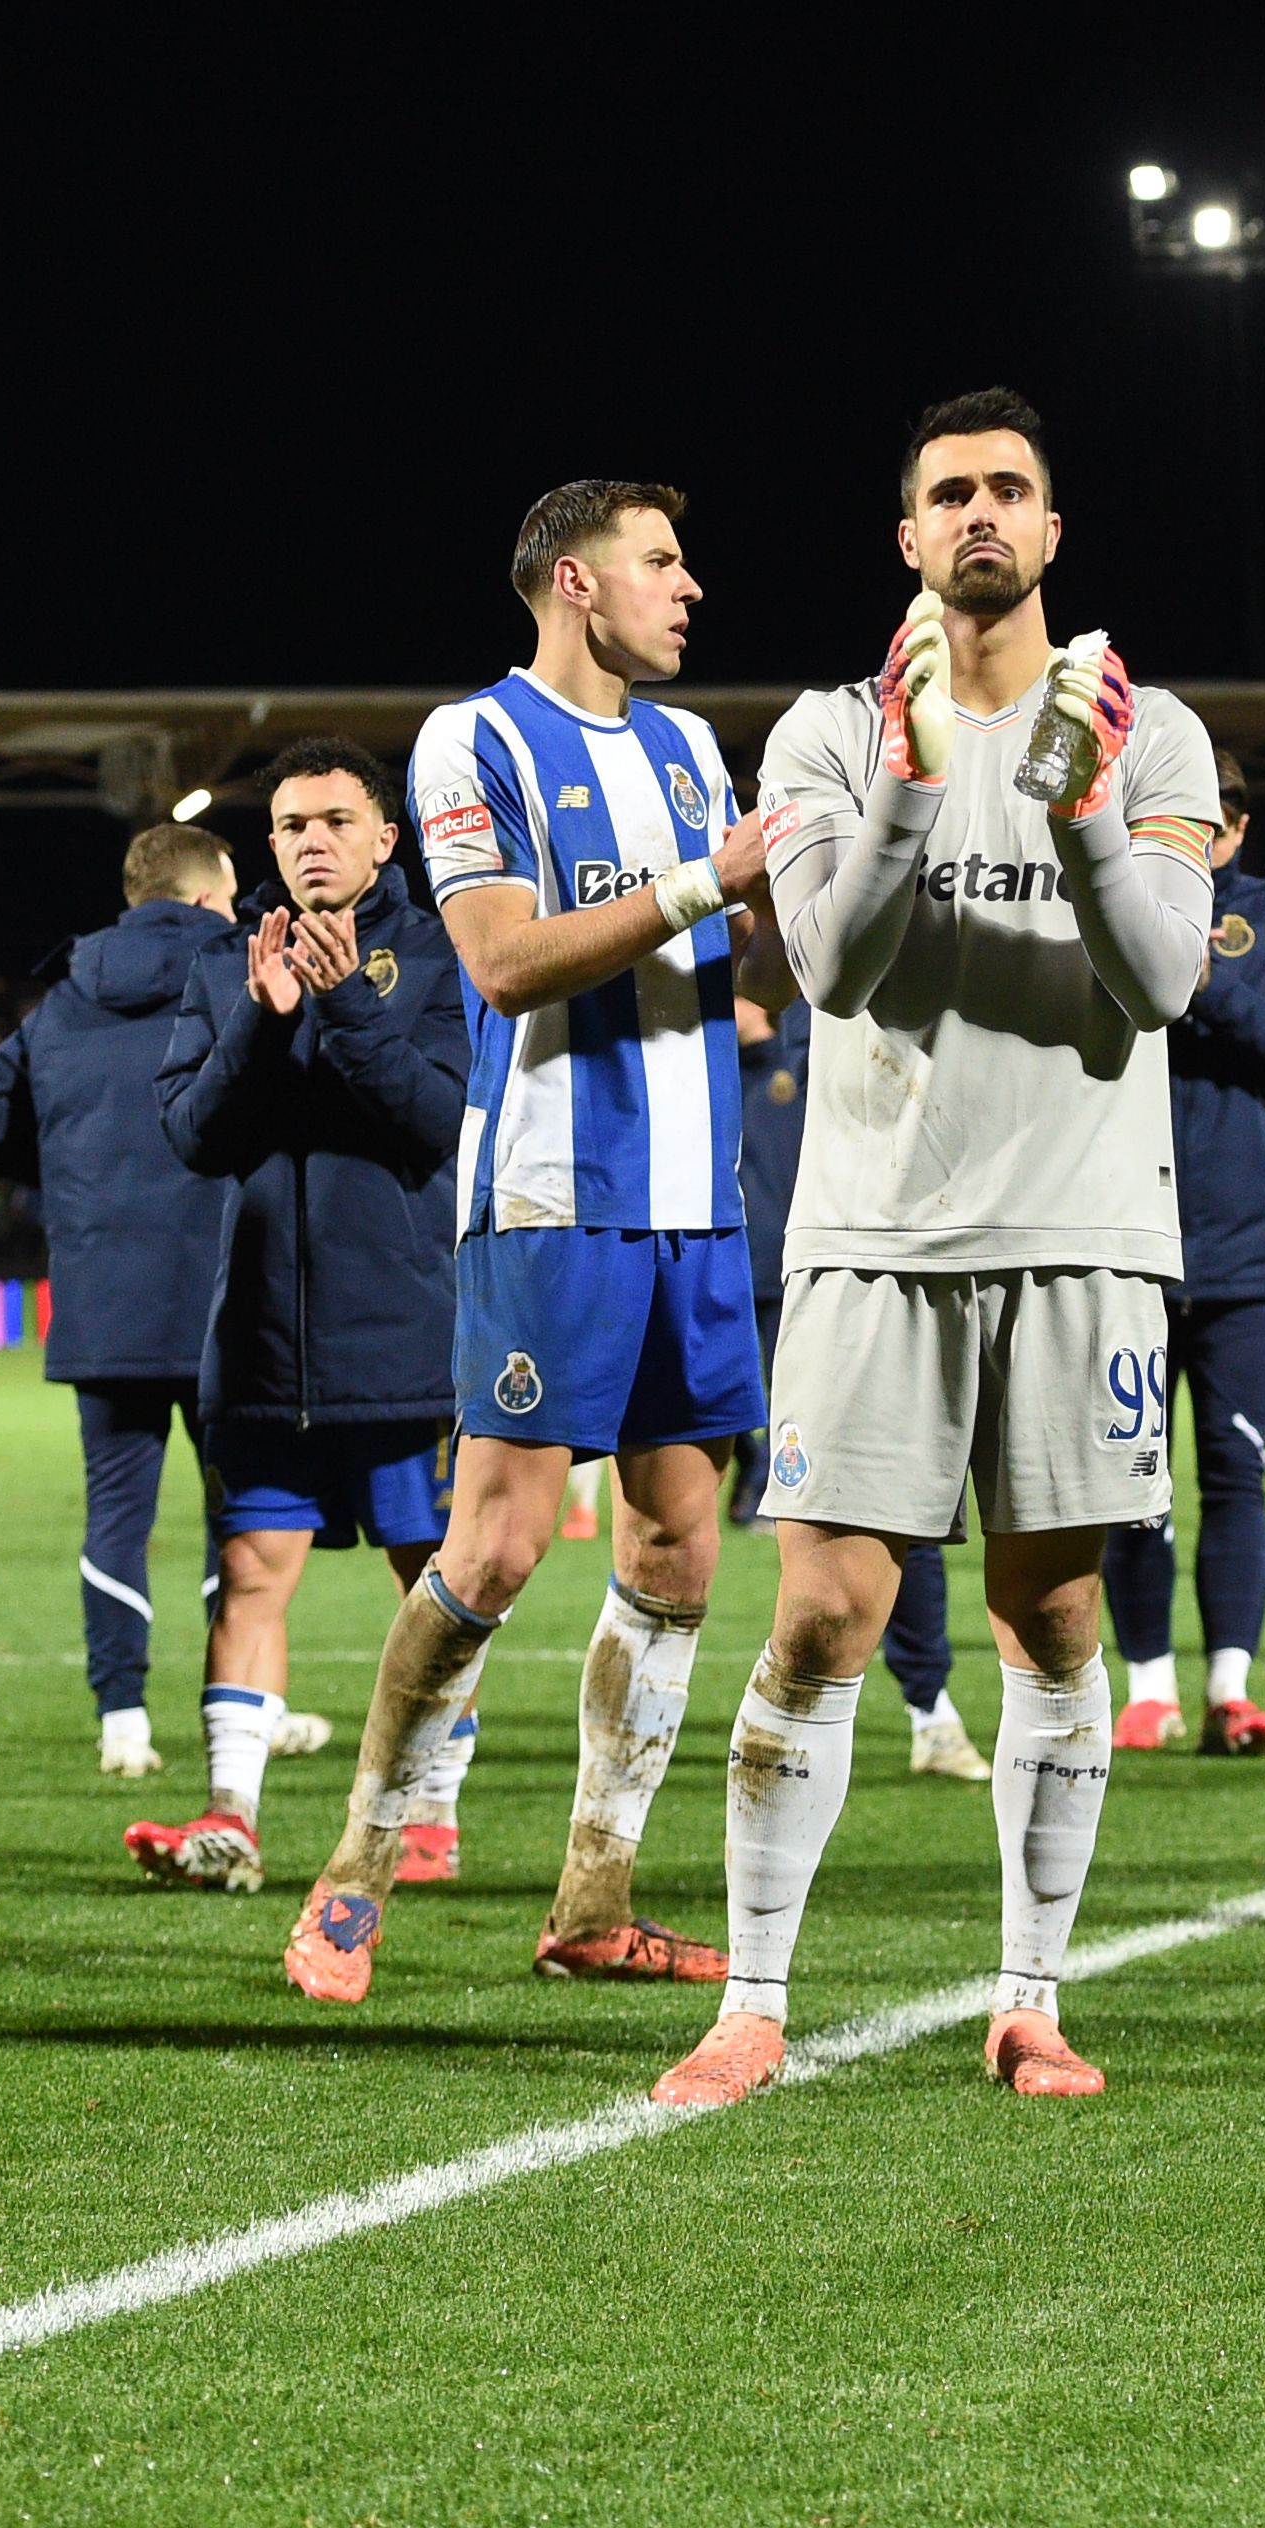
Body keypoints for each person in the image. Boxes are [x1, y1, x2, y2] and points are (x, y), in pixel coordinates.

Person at [655, 387, 1226, 2108]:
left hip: (1083, 1231)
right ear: (906, 539)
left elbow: (1160, 978)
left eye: (1008, 491)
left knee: (1051, 1618)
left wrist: (1080, 809)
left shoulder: (1157, 733)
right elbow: (828, 963)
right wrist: (911, 783)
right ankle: (753, 1999)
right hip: (874, 1233)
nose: (979, 514)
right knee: (822, 1617)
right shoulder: (826, 735)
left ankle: (1031, 1996)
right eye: (946, 494)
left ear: (1052, 532)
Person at [275, 492, 806, 2004]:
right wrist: (718, 875)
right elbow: (503, 963)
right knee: (496, 1548)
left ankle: (595, 1896)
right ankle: (357, 1868)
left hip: (699, 1203)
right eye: (660, 563)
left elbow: (742, 958)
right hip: (553, 1193)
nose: (689, 588)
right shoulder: (474, 742)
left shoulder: (693, 749)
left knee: (674, 1549)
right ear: (574, 584)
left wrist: (794, 878)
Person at [124, 740, 467, 1894]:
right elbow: (196, 1137)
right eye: (288, 825)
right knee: (251, 1567)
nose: (310, 840)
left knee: (433, 1579)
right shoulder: (228, 963)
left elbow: (436, 1125)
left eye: (333, 819)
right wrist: (267, 1020)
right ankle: (231, 1817)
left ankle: (430, 1813)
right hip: (265, 1339)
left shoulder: (439, 954)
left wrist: (343, 1010)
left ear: (385, 837)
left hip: (404, 1338)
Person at [0, 823, 245, 1784]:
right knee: (236, 1514)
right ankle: (237, 1707)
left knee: (116, 1514)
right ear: (207, 899)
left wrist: (72, 1182)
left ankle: (122, 1717)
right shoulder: (242, 972)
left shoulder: (62, 1000)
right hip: (222, 1294)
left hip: (101, 1298)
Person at [1101, 780, 1265, 1753]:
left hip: (1247, 1247)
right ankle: (1148, 1689)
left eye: (1200, 824)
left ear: (1235, 827)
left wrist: (1211, 984)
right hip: (1123, 1241)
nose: (1178, 839)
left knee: (1236, 1472)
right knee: (1131, 1477)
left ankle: (1230, 1690)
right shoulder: (1106, 902)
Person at [730, 992, 978, 1780]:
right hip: (730, 1271)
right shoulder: (715, 1032)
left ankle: (929, 1709)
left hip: (865, 1274)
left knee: (894, 1504)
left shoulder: (837, 1026)